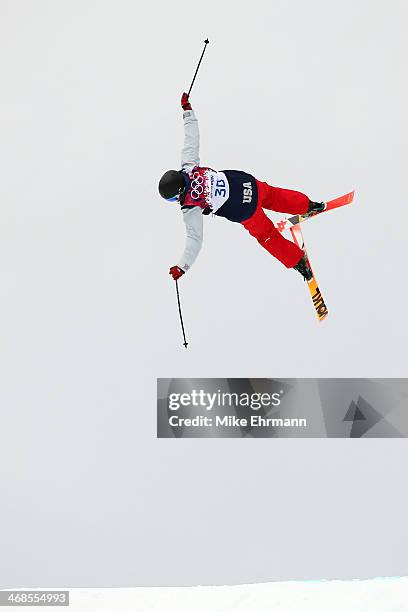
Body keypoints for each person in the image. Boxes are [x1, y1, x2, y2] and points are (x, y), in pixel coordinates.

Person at [159, 94, 325, 282]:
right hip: (247, 183)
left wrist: (182, 267)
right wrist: (188, 111)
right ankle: (309, 205)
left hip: (245, 209)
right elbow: (192, 139)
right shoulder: (188, 167)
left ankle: (298, 262)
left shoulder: (190, 206)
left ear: (178, 193)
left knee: (267, 236)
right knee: (274, 195)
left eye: (173, 199)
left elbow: (194, 239)